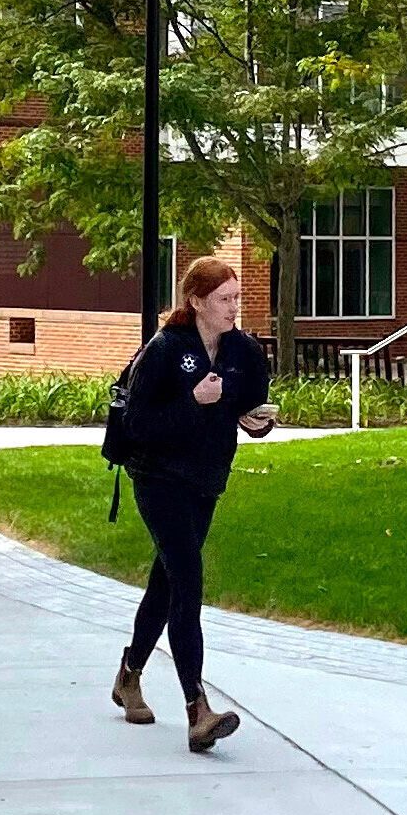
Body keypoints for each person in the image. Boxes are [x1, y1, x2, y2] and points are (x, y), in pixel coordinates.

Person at [110, 256, 279, 753]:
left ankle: (129, 675)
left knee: (165, 583)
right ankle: (197, 709)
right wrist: (192, 403)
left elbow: (251, 407)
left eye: (236, 298)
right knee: (187, 580)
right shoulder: (165, 350)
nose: (233, 308)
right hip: (158, 476)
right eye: (224, 300)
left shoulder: (244, 352)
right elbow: (138, 424)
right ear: (197, 302)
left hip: (205, 479)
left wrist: (258, 422)